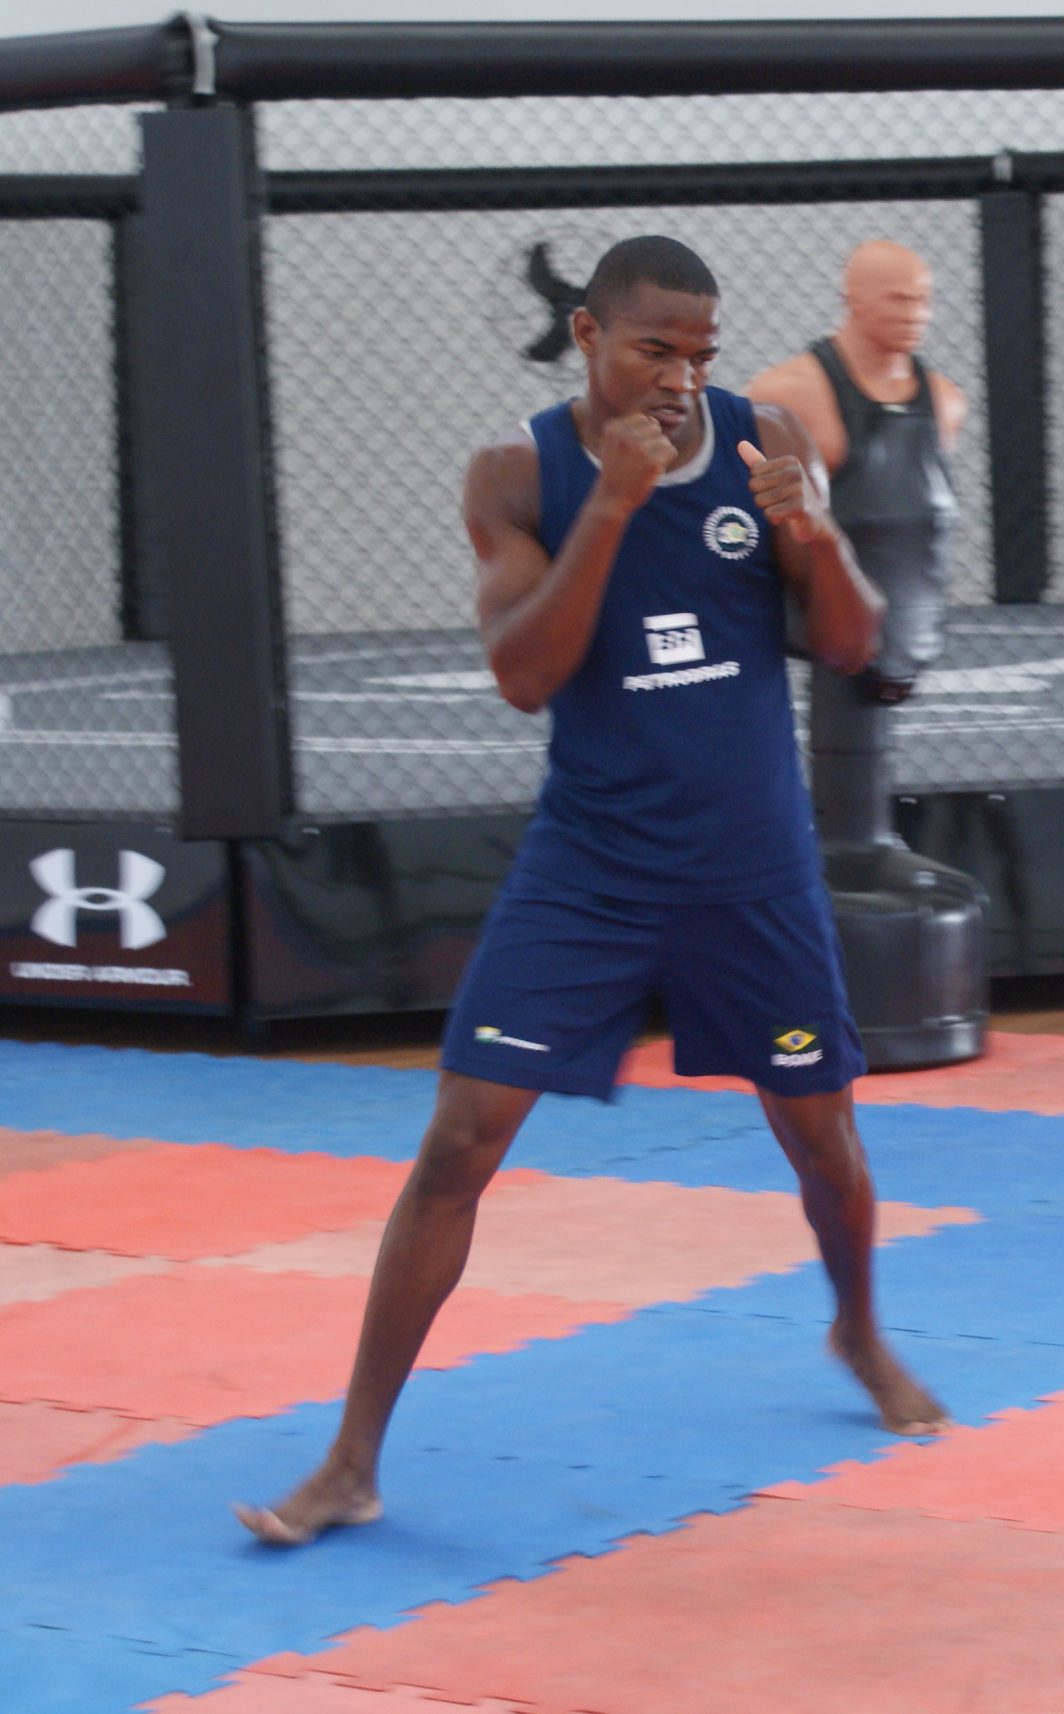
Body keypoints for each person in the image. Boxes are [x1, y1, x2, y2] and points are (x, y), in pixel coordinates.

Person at [236, 235, 948, 1547]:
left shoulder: (761, 439)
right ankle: (350, 1457)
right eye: (653, 349)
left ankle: (856, 1323)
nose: (680, 377)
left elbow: (851, 647)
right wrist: (614, 505)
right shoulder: (520, 471)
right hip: (595, 868)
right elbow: (524, 672)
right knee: (457, 1143)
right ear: (587, 337)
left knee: (823, 1144)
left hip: (752, 871)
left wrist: (812, 530)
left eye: (699, 353)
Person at [745, 239, 966, 701]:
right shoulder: (786, 395)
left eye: (924, 299)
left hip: (907, 645)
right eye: (899, 298)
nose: (916, 313)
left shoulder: (946, 401)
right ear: (856, 299)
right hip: (813, 655)